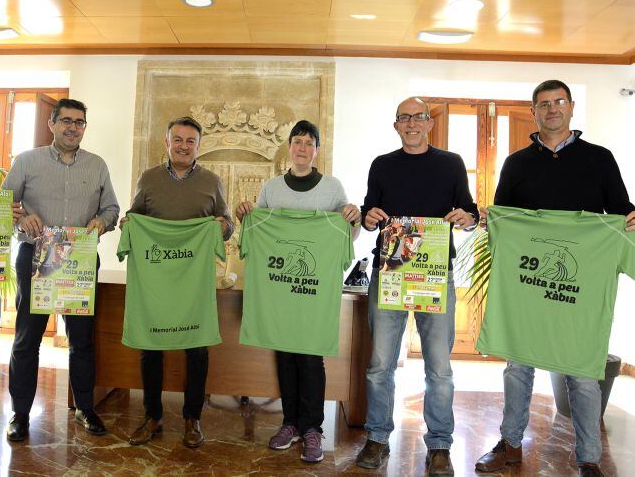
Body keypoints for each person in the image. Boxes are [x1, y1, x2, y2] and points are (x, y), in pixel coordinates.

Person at [475, 80, 635, 477]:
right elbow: (503, 222)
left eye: (559, 102)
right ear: (534, 111)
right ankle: (510, 444)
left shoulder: (600, 159)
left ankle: (589, 459)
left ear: (571, 107)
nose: (552, 109)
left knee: (582, 374)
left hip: (577, 292)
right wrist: (487, 220)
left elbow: (621, 213)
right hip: (528, 289)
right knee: (518, 369)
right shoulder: (516, 163)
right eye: (544, 104)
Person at [357, 97, 478, 476]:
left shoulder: (452, 163)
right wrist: (370, 217)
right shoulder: (382, 165)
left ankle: (439, 445)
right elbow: (367, 215)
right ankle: (377, 437)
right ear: (396, 125)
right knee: (380, 365)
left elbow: (471, 213)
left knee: (439, 368)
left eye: (419, 117)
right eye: (404, 118)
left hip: (435, 274)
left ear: (429, 123)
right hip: (391, 273)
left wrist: (466, 218)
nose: (412, 123)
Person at [235, 120, 361, 463]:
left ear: (317, 150)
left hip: (314, 293)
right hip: (279, 292)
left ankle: (312, 429)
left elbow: (347, 239)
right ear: (289, 147)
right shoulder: (271, 189)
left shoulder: (333, 188)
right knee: (285, 354)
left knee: (310, 357)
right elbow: (255, 231)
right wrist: (244, 214)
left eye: (309, 143)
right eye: (297, 142)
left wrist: (353, 218)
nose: (302, 148)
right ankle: (290, 423)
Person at [3, 98, 120, 442]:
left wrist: (102, 220)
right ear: (52, 124)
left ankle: (85, 407)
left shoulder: (96, 165)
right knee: (27, 338)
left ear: (85, 127)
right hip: (35, 258)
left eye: (79, 122)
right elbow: (2, 206)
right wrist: (22, 218)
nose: (73, 127)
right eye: (66, 120)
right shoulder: (27, 161)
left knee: (82, 340)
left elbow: (112, 206)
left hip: (79, 261)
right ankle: (20, 414)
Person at [123, 116, 233, 449]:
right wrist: (128, 221)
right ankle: (152, 415)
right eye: (178, 139)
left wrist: (220, 225)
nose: (183, 146)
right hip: (155, 281)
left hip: (194, 282)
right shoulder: (149, 178)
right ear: (167, 141)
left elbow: (227, 225)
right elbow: (135, 216)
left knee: (197, 348)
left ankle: (192, 419)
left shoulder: (212, 181)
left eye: (190, 141)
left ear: (199, 146)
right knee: (150, 346)